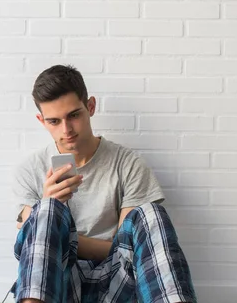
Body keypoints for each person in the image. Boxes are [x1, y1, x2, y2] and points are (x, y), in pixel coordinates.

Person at [11, 65, 196, 303]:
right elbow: (34, 252)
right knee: (45, 210)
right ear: (42, 120)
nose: (66, 130)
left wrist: (61, 237)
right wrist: (48, 211)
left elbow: (130, 248)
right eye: (54, 121)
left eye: (74, 115)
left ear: (90, 107)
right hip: (60, 282)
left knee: (151, 213)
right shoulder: (29, 170)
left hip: (119, 280)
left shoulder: (128, 164)